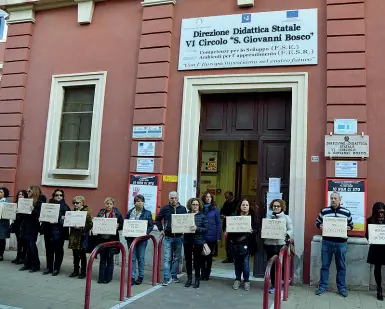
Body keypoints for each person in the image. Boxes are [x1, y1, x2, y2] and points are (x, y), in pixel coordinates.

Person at [315, 191, 353, 297]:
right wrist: (320, 226)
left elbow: (351, 225)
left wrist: (348, 227)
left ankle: (341, 288)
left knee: (341, 266)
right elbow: (317, 222)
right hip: (327, 242)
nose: (333, 200)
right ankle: (322, 287)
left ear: (340, 199)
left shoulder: (346, 212)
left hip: (341, 243)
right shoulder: (324, 211)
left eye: (335, 198)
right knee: (325, 266)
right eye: (331, 198)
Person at [155, 191, 187, 286]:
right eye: (171, 198)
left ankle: (174, 276)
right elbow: (157, 219)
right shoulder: (165, 208)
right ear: (169, 199)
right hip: (168, 236)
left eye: (175, 198)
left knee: (176, 258)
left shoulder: (183, 209)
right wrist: (161, 229)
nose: (174, 200)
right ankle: (166, 278)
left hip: (179, 236)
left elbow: (186, 221)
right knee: (167, 258)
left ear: (178, 198)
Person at [228, 198, 258, 291]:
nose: (245, 206)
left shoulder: (253, 217)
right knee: (237, 263)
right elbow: (229, 229)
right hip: (236, 243)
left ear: (249, 207)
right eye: (243, 205)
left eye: (246, 205)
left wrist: (252, 231)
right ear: (240, 206)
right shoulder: (234, 216)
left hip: (247, 243)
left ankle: (246, 281)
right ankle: (237, 279)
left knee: (245, 263)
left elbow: (257, 230)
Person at [264, 199, 294, 294]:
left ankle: (283, 282)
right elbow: (264, 229)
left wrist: (286, 234)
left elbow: (291, 230)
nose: (276, 207)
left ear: (281, 207)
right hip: (269, 244)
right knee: (271, 266)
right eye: (274, 206)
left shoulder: (286, 218)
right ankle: (274, 285)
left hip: (281, 245)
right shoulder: (268, 217)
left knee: (282, 265)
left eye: (278, 206)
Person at [41, 189, 71, 276]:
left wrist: (57, 221)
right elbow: (43, 216)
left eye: (60, 195)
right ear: (53, 196)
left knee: (58, 251)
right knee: (49, 250)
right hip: (48, 231)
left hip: (59, 232)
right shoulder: (48, 205)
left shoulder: (65, 207)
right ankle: (49, 267)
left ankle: (56, 268)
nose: (58, 196)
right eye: (56, 195)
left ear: (63, 196)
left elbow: (67, 220)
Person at [125, 194, 154, 286]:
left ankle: (141, 276)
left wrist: (145, 233)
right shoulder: (130, 212)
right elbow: (126, 224)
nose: (140, 203)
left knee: (140, 258)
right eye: (138, 201)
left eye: (141, 201)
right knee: (132, 258)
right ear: (134, 203)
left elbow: (151, 225)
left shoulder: (147, 213)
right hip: (131, 239)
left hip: (142, 239)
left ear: (144, 202)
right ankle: (132, 277)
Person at [96, 197, 123, 284]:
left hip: (112, 239)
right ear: (105, 204)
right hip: (102, 239)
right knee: (102, 258)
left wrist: (118, 226)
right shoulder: (101, 212)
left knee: (110, 258)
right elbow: (96, 222)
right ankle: (101, 277)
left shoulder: (117, 214)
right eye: (107, 203)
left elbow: (122, 225)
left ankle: (108, 278)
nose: (108, 205)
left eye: (110, 204)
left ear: (113, 205)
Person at [20, 186, 46, 273]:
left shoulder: (39, 202)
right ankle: (27, 264)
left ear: (34, 192)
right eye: (27, 191)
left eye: (29, 191)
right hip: (25, 225)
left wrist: (33, 209)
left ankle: (36, 264)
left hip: (33, 226)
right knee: (27, 246)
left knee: (32, 245)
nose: (27, 193)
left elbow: (39, 215)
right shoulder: (27, 201)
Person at [184, 198, 207, 288]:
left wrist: (197, 228)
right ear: (190, 205)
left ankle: (197, 280)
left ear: (199, 205)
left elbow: (205, 229)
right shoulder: (186, 215)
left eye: (197, 204)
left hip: (198, 241)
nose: (195, 206)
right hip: (187, 240)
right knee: (188, 260)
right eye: (193, 204)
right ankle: (189, 279)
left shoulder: (202, 216)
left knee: (197, 261)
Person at [68, 196, 93, 279]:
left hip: (82, 235)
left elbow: (90, 224)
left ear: (82, 203)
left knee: (82, 254)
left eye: (77, 203)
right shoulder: (73, 211)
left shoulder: (86, 212)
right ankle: (75, 270)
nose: (75, 204)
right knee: (75, 254)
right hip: (74, 235)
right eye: (74, 203)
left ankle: (83, 272)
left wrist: (82, 229)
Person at [366, 202, 385, 300]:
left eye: (383, 212)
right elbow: (367, 235)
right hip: (376, 248)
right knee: (377, 269)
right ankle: (379, 289)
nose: (381, 214)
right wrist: (372, 238)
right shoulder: (370, 220)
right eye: (379, 212)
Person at [201, 191, 221, 281]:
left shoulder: (215, 209)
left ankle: (207, 274)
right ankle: (202, 273)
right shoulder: (200, 208)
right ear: (204, 198)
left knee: (209, 256)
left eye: (209, 197)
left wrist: (218, 236)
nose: (208, 198)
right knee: (201, 256)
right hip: (201, 235)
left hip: (211, 236)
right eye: (206, 197)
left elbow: (218, 223)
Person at [11, 190, 29, 264]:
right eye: (19, 194)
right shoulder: (15, 204)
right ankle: (18, 257)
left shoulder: (27, 205)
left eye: (22, 194)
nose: (20, 196)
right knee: (19, 242)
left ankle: (22, 257)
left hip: (23, 226)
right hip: (17, 225)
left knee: (24, 242)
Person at [220, 191, 238, 263]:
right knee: (227, 242)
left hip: (234, 225)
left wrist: (227, 216)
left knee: (234, 242)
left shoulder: (237, 202)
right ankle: (229, 257)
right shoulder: (226, 203)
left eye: (227, 197)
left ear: (232, 196)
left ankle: (234, 257)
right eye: (225, 197)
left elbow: (236, 214)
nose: (226, 198)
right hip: (226, 225)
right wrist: (221, 215)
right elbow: (222, 210)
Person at [0, 187, 11, 261]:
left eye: (1, 192)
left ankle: (0, 254)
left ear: (5, 193)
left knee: (1, 238)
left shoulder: (7, 201)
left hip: (3, 222)